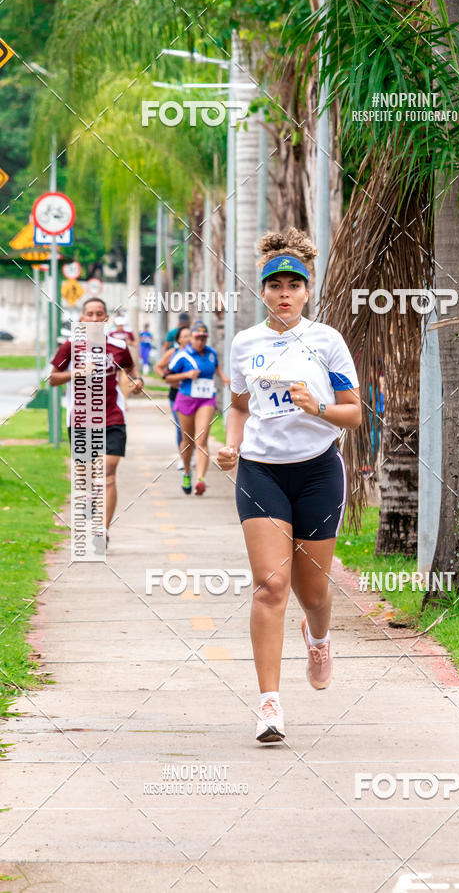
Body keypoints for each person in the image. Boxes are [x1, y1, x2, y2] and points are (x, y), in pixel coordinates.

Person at [216, 227, 361, 743]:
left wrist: (316, 407)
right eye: (275, 285)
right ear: (263, 291)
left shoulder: (327, 341)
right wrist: (230, 446)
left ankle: (317, 636)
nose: (283, 293)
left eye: (293, 285)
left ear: (307, 291)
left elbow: (354, 415)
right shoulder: (246, 343)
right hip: (260, 471)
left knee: (313, 589)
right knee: (271, 585)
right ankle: (269, 704)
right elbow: (238, 406)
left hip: (318, 469)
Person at [49, 297, 143, 547]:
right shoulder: (70, 346)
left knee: (108, 474)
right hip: (80, 419)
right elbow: (53, 379)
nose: (93, 318)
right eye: (89, 313)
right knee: (85, 475)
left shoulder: (118, 346)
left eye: (99, 313)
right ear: (81, 319)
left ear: (106, 318)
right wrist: (77, 372)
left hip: (112, 417)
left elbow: (132, 370)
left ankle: (102, 530)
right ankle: (89, 496)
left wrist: (137, 382)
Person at [165, 320, 229, 495]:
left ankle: (201, 480)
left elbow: (216, 366)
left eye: (203, 338)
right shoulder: (182, 355)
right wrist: (186, 375)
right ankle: (187, 472)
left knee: (201, 440)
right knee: (188, 441)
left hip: (206, 400)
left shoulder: (211, 353)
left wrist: (223, 377)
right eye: (197, 338)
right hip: (186, 399)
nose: (200, 342)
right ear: (191, 339)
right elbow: (167, 377)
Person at [155, 325, 192, 470]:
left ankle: (192, 454)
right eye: (184, 336)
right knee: (181, 428)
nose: (188, 339)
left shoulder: (198, 353)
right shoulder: (173, 352)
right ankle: (184, 457)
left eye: (190, 335)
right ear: (178, 340)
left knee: (194, 428)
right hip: (176, 395)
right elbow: (158, 367)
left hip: (195, 395)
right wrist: (167, 377)